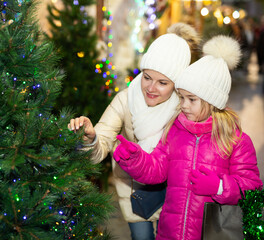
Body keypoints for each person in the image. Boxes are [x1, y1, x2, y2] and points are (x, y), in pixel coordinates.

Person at [113, 35, 263, 240]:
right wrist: (135, 159)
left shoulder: (235, 141)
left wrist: (219, 186)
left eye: (191, 99)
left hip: (211, 233)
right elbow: (157, 170)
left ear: (212, 101)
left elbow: (252, 188)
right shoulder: (175, 130)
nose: (183, 105)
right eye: (182, 97)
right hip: (170, 233)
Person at [68, 23, 200, 240]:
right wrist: (91, 139)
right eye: (147, 77)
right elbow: (102, 140)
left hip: (174, 194)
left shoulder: (185, 108)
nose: (150, 88)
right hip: (134, 193)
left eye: (162, 82)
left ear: (176, 84)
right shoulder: (125, 99)